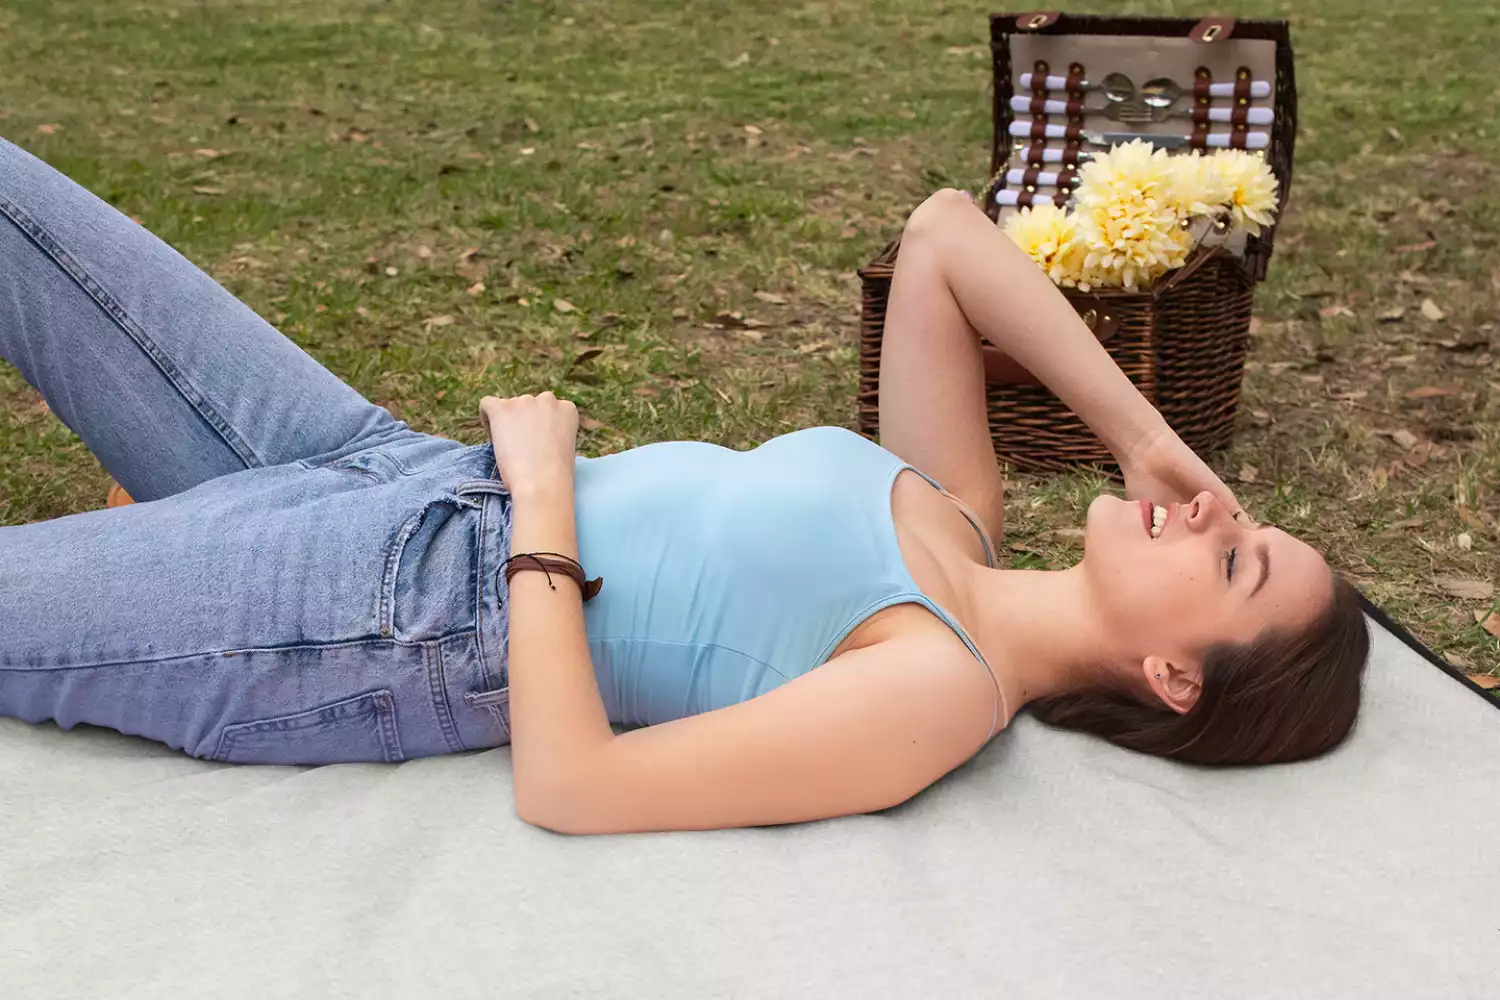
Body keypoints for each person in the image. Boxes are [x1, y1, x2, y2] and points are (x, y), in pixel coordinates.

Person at [0, 140, 1369, 836]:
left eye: (1234, 560)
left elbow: (576, 787)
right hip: (386, 465)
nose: (1213, 513)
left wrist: (544, 505)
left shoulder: (939, 693)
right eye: (1240, 516)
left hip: (381, 620)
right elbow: (946, 232)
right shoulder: (959, 509)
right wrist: (1143, 437)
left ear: (1175, 678)